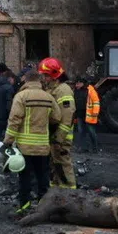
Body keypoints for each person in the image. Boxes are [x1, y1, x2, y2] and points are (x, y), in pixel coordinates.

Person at [3, 63, 61, 215]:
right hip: (42, 146)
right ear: (39, 81)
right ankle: (43, 208)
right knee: (43, 178)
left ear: (26, 81)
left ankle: (24, 206)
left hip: (25, 147)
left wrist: (8, 141)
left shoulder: (21, 96)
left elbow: (14, 120)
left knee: (25, 179)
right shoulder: (48, 97)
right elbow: (57, 117)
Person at [40, 57, 76, 189]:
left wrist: (59, 138)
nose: (44, 78)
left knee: (62, 162)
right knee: (54, 163)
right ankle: (56, 189)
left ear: (54, 75)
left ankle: (69, 191)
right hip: (54, 134)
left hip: (61, 136)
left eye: (46, 75)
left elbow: (67, 116)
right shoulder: (52, 89)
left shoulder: (63, 90)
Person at [74, 76, 101, 154]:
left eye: (78, 84)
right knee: (81, 132)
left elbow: (96, 101)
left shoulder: (90, 90)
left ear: (82, 83)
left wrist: (95, 112)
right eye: (76, 84)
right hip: (79, 114)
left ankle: (95, 148)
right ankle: (83, 148)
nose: (76, 85)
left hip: (88, 115)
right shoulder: (76, 90)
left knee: (91, 131)